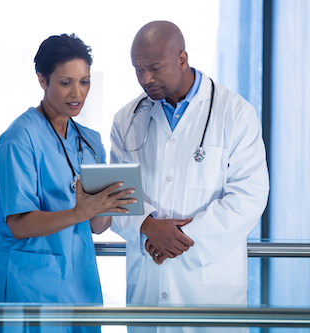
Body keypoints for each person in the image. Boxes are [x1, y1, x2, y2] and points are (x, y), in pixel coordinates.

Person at [110, 21, 269, 332]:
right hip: (148, 285)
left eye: (154, 67)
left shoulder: (235, 113)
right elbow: (115, 195)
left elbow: (249, 196)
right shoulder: (126, 120)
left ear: (182, 59)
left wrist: (176, 240)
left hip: (209, 285)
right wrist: (147, 226)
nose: (146, 79)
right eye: (138, 69)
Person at [0, 33, 134, 333]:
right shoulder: (18, 140)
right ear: (43, 80)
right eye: (65, 82)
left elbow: (96, 224)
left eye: (85, 81)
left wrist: (113, 203)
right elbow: (19, 223)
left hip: (80, 280)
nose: (77, 92)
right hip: (29, 283)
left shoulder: (90, 141)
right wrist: (82, 211)